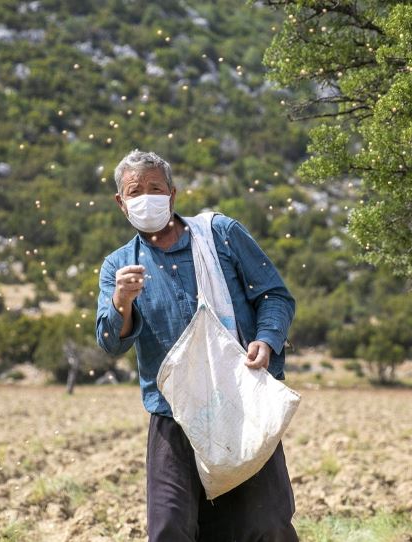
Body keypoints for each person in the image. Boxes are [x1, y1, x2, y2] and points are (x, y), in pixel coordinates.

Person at [95, 149, 299, 542]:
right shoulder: (119, 266)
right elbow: (110, 343)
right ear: (122, 203)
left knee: (265, 525)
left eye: (155, 188)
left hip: (241, 404)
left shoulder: (219, 235)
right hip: (173, 415)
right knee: (170, 527)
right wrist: (122, 301)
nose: (146, 198)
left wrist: (266, 339)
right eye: (135, 191)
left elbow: (274, 296)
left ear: (172, 194)